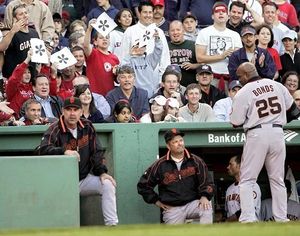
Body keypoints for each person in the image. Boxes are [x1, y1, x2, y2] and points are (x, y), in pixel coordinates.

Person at [230, 62, 300, 223]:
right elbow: (294, 112)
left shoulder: (244, 91)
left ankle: (247, 218)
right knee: (277, 179)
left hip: (256, 133)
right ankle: (281, 218)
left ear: (247, 74)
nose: (238, 79)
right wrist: (275, 119)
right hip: (277, 132)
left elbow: (235, 122)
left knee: (247, 179)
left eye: (240, 76)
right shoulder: (277, 85)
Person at [38, 96, 119, 226]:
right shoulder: (55, 128)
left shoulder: (87, 126)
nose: (72, 113)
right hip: (61, 184)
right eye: (68, 110)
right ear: (63, 111)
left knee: (107, 185)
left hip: (84, 179)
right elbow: (42, 149)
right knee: (62, 222)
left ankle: (112, 226)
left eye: (75, 110)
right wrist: (63, 151)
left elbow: (96, 151)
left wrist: (102, 172)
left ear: (81, 112)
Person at [137, 128, 215, 224]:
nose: (180, 143)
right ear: (168, 146)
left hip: (193, 204)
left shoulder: (195, 160)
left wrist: (205, 196)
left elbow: (207, 182)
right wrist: (156, 201)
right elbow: (143, 185)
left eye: (181, 140)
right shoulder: (160, 164)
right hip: (172, 208)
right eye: (175, 142)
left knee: (206, 205)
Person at [195, 2, 242, 92]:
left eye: (223, 11)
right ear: (212, 16)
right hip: (210, 77)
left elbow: (238, 60)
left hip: (229, 78)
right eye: (217, 11)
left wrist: (233, 56)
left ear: (228, 16)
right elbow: (199, 58)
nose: (220, 13)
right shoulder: (204, 32)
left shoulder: (235, 35)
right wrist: (221, 56)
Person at [120, 1, 170, 79]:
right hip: (135, 77)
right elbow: (123, 56)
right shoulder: (130, 31)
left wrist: (162, 78)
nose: (148, 15)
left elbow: (164, 57)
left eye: (150, 12)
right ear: (139, 13)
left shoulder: (159, 32)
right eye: (145, 12)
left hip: (155, 77)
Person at [83, 18, 119, 96]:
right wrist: (89, 29)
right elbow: (85, 46)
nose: (104, 39)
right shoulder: (93, 53)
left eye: (107, 37)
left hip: (110, 95)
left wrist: (117, 73)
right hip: (95, 95)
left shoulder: (114, 58)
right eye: (101, 37)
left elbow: (117, 80)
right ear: (95, 42)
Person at [2, 3, 39, 78]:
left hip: (30, 78)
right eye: (21, 14)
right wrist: (12, 31)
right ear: (15, 19)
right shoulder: (12, 33)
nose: (25, 15)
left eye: (26, 13)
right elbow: (1, 47)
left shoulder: (34, 32)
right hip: (14, 78)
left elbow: (38, 56)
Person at [225, 155, 261, 222]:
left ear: (240, 165)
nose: (228, 167)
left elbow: (248, 210)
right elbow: (226, 211)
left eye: (231, 164)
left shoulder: (252, 185)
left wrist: (227, 221)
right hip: (233, 228)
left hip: (250, 226)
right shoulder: (229, 189)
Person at [168, 20, 199, 87]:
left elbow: (203, 64)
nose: (175, 32)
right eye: (172, 30)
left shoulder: (193, 45)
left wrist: (193, 66)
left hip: (191, 86)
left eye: (178, 30)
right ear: (169, 32)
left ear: (183, 31)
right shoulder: (165, 47)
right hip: (171, 85)